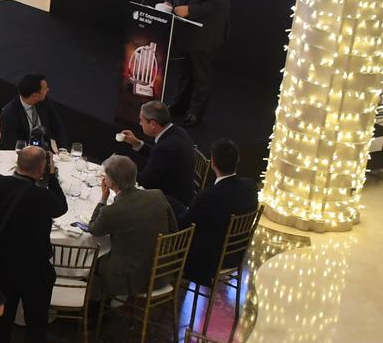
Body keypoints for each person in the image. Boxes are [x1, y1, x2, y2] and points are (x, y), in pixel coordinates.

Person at [0, 146, 69, 343]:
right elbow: (61, 207)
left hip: (3, 264)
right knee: (36, 323)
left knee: (2, 316)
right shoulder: (41, 196)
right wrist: (51, 177)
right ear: (41, 168)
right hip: (35, 268)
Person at [88, 153, 179, 302]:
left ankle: (101, 302)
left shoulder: (111, 211)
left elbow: (93, 229)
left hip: (134, 277)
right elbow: (173, 229)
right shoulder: (157, 195)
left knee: (93, 261)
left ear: (110, 183)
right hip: (162, 269)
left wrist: (103, 199)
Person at [165, 0, 232, 125]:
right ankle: (179, 105)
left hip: (205, 35)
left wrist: (191, 10)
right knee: (184, 72)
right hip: (184, 31)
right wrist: (169, 1)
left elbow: (217, 5)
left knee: (201, 76)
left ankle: (195, 112)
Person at [182, 137, 258, 286]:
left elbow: (183, 224)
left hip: (207, 261)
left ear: (212, 163)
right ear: (237, 160)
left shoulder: (208, 196)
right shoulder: (250, 187)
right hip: (235, 254)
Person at [117, 100, 198, 212]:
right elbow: (158, 156)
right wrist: (137, 143)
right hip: (185, 190)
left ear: (153, 124)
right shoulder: (178, 132)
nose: (140, 123)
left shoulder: (165, 148)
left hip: (171, 203)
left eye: (142, 120)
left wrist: (120, 174)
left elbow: (144, 181)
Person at [0, 73, 67, 151]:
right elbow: (11, 146)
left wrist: (62, 148)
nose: (48, 90)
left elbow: (57, 125)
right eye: (45, 89)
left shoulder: (44, 101)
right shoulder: (9, 114)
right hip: (23, 155)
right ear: (35, 96)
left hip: (45, 151)